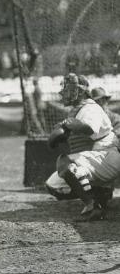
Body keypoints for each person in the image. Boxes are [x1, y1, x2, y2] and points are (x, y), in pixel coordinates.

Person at [45, 74, 120, 220]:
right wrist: (62, 131)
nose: (63, 93)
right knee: (54, 185)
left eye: (68, 89)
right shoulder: (79, 109)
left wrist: (69, 124)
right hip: (97, 159)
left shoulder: (90, 107)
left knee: (64, 162)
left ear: (79, 91)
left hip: (108, 156)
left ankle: (92, 205)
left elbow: (89, 128)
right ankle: (99, 195)